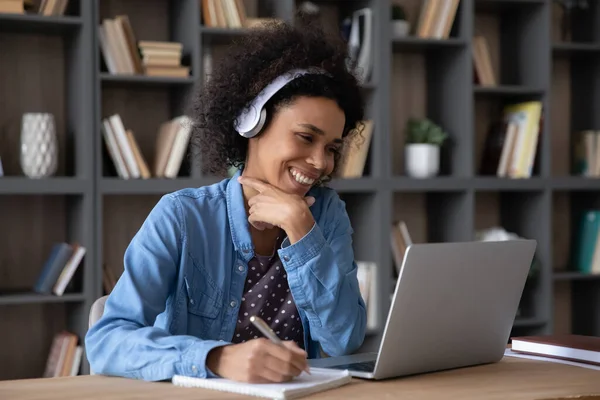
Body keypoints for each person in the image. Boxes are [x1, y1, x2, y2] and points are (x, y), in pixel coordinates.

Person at [85, 17, 368, 384]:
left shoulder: (326, 215)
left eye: (331, 147)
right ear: (252, 123)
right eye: (304, 137)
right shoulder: (182, 217)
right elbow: (107, 341)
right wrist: (215, 358)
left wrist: (302, 229)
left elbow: (343, 342)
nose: (320, 162)